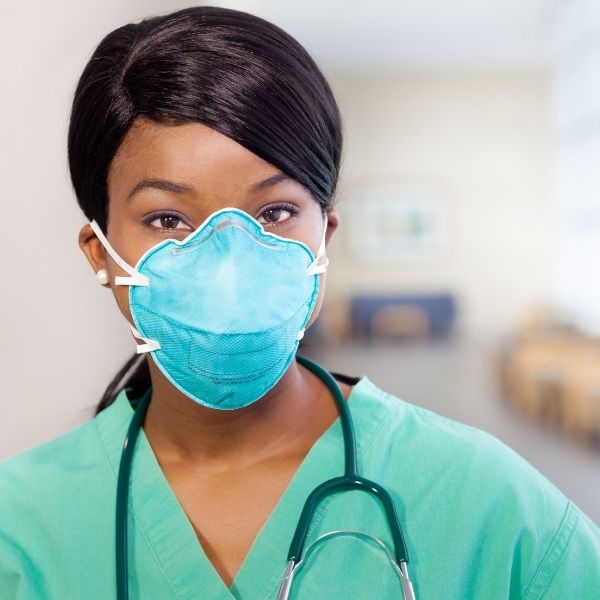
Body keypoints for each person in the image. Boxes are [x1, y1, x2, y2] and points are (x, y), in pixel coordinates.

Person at [1, 6, 599, 599]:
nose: (230, 265)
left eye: (274, 213)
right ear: (100, 254)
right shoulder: (20, 527)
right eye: (168, 218)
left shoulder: (485, 503)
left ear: (324, 237)